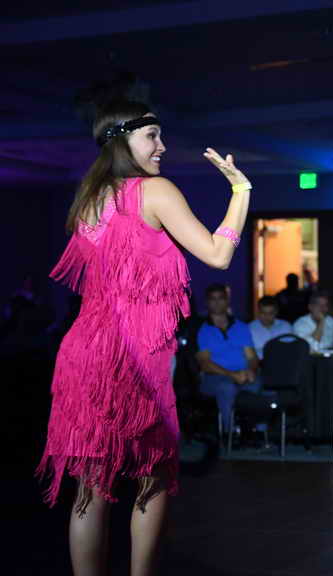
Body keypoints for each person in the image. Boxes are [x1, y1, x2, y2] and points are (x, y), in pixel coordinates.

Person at [36, 97, 251, 576]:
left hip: (84, 352)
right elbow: (218, 255)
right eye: (152, 135)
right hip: (134, 355)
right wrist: (240, 190)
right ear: (122, 140)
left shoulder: (90, 198)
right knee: (151, 478)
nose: (162, 146)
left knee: (91, 488)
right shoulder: (155, 191)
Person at [196, 284, 265, 440]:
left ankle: (256, 432)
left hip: (242, 373)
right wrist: (232, 375)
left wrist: (251, 370)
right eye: (213, 299)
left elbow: (252, 357)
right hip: (214, 377)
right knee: (226, 388)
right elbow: (205, 364)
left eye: (221, 298)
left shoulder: (241, 327)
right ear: (207, 302)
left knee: (256, 384)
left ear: (227, 301)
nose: (217, 302)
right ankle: (230, 434)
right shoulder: (202, 330)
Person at [249, 295, 293, 359]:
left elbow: (290, 349)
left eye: (270, 313)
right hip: (260, 363)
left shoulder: (285, 326)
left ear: (276, 312)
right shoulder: (250, 328)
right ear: (258, 312)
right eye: (263, 313)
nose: (267, 316)